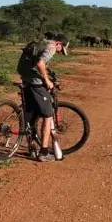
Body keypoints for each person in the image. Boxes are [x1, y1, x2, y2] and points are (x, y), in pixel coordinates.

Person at [16, 31, 69, 162]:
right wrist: (47, 80)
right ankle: (43, 152)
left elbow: (35, 63)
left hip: (25, 79)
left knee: (30, 115)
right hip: (36, 84)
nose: (58, 52)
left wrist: (46, 73)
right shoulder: (51, 47)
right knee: (47, 115)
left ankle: (32, 148)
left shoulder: (41, 43)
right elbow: (40, 64)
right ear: (58, 44)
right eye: (60, 49)